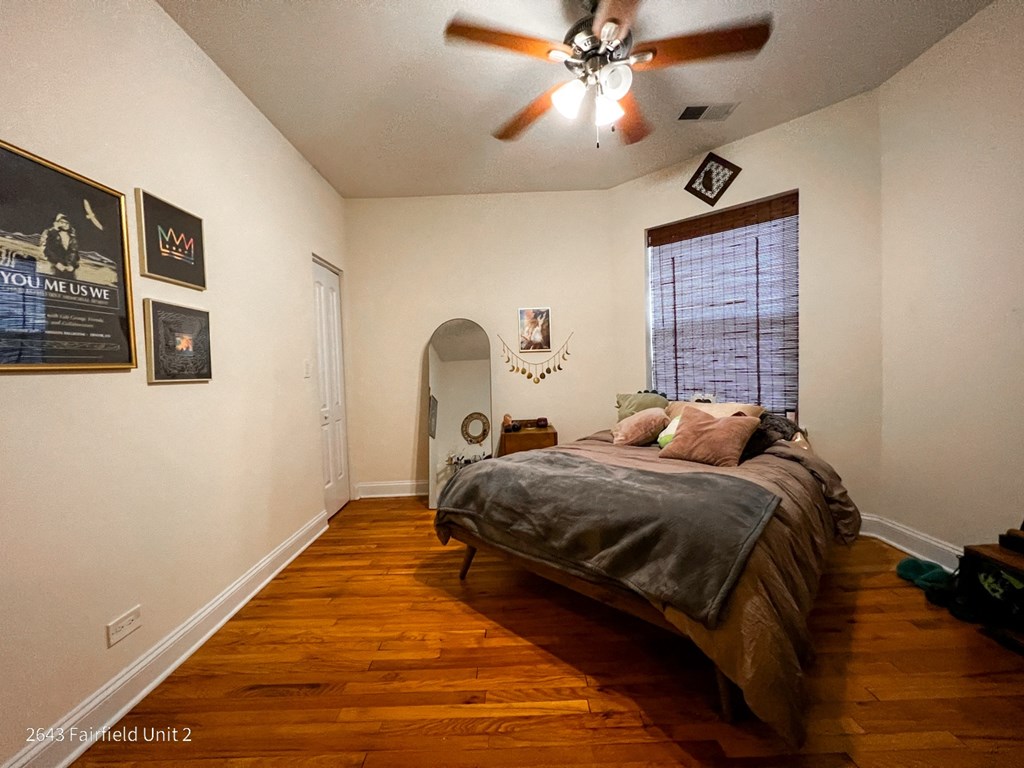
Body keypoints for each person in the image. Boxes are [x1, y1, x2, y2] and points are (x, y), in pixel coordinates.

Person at [40, 213, 80, 279]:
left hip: (68, 270)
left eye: (67, 223)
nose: (65, 224)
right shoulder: (50, 232)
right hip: (53, 266)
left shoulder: (72, 237)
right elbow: (45, 248)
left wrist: (72, 265)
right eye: (62, 222)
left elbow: (74, 252)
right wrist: (56, 262)